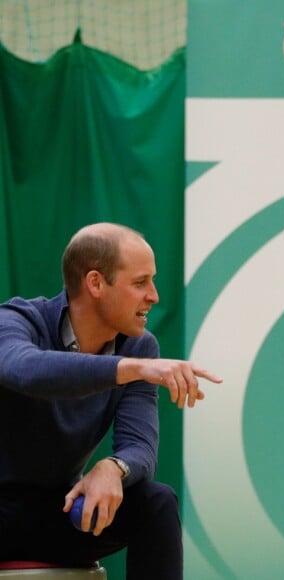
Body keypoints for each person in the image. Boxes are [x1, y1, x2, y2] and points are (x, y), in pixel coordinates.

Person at [0, 223, 222, 580]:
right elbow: (27, 370)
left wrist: (113, 468)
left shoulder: (140, 346)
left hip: (61, 509)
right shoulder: (15, 320)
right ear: (96, 284)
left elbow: (140, 447)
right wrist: (132, 369)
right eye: (140, 282)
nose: (154, 295)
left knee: (156, 501)